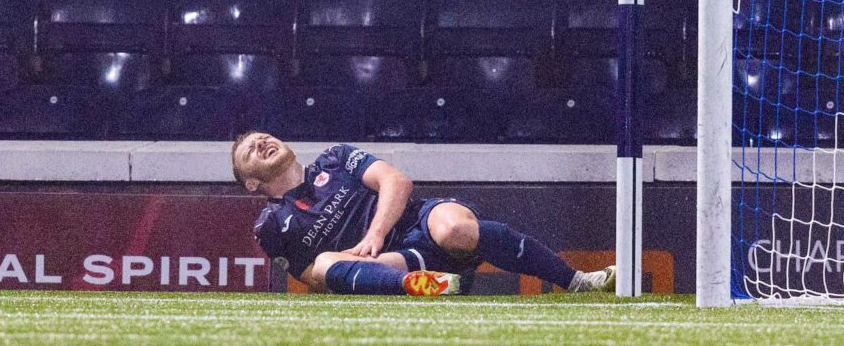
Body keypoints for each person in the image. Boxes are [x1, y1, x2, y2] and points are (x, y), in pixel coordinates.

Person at [232, 131, 616, 296]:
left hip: (419, 222)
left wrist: (375, 234)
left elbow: (397, 182)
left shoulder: (334, 158)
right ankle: (431, 286)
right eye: (250, 150)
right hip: (390, 263)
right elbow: (312, 279)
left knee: (454, 229)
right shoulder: (271, 225)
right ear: (251, 183)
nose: (261, 142)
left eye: (262, 137)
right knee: (323, 265)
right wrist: (364, 263)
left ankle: (579, 281)